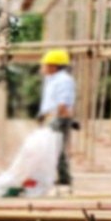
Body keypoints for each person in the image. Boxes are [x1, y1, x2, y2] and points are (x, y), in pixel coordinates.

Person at [37, 48, 76, 187]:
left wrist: (56, 119)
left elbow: (63, 103)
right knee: (54, 148)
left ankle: (64, 177)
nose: (42, 68)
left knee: (56, 148)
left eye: (45, 65)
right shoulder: (52, 80)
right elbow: (49, 101)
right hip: (52, 117)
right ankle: (62, 177)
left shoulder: (64, 80)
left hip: (58, 118)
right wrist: (43, 115)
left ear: (53, 66)